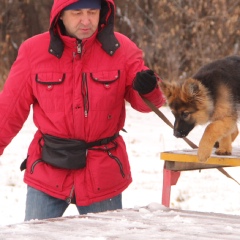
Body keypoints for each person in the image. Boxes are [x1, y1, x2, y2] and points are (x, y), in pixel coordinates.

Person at [0, 0, 165, 221]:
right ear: (60, 15)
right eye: (77, 13)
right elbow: (9, 110)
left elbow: (146, 103)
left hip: (103, 173)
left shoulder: (122, 49)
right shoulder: (33, 52)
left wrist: (149, 89)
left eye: (92, 12)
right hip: (48, 170)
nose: (86, 21)